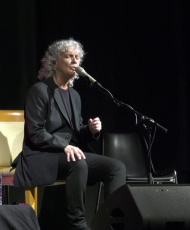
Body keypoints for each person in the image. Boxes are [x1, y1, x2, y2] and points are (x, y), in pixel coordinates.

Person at [13, 38, 126, 230]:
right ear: (55, 63)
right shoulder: (39, 91)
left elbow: (76, 133)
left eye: (77, 57)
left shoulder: (74, 95)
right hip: (41, 155)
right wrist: (64, 146)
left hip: (68, 154)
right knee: (78, 164)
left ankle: (112, 222)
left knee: (116, 167)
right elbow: (35, 133)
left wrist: (89, 131)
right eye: (69, 56)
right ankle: (78, 224)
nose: (75, 61)